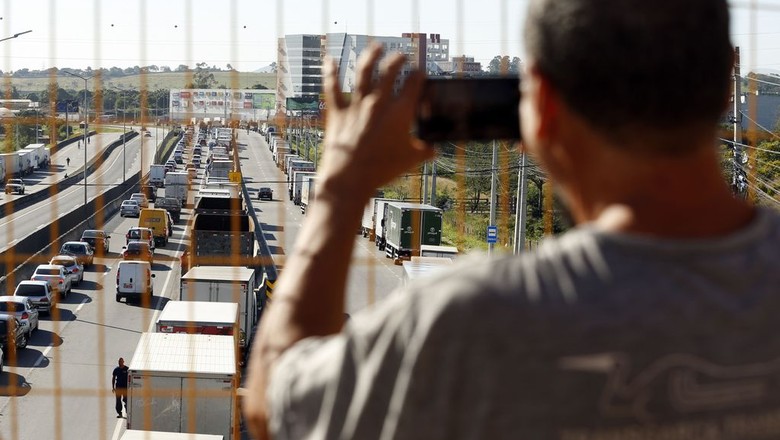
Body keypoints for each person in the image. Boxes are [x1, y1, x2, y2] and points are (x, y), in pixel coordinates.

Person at [244, 0, 780, 438]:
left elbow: (276, 401)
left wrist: (341, 184)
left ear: (542, 105)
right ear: (728, 83)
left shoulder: (474, 319)